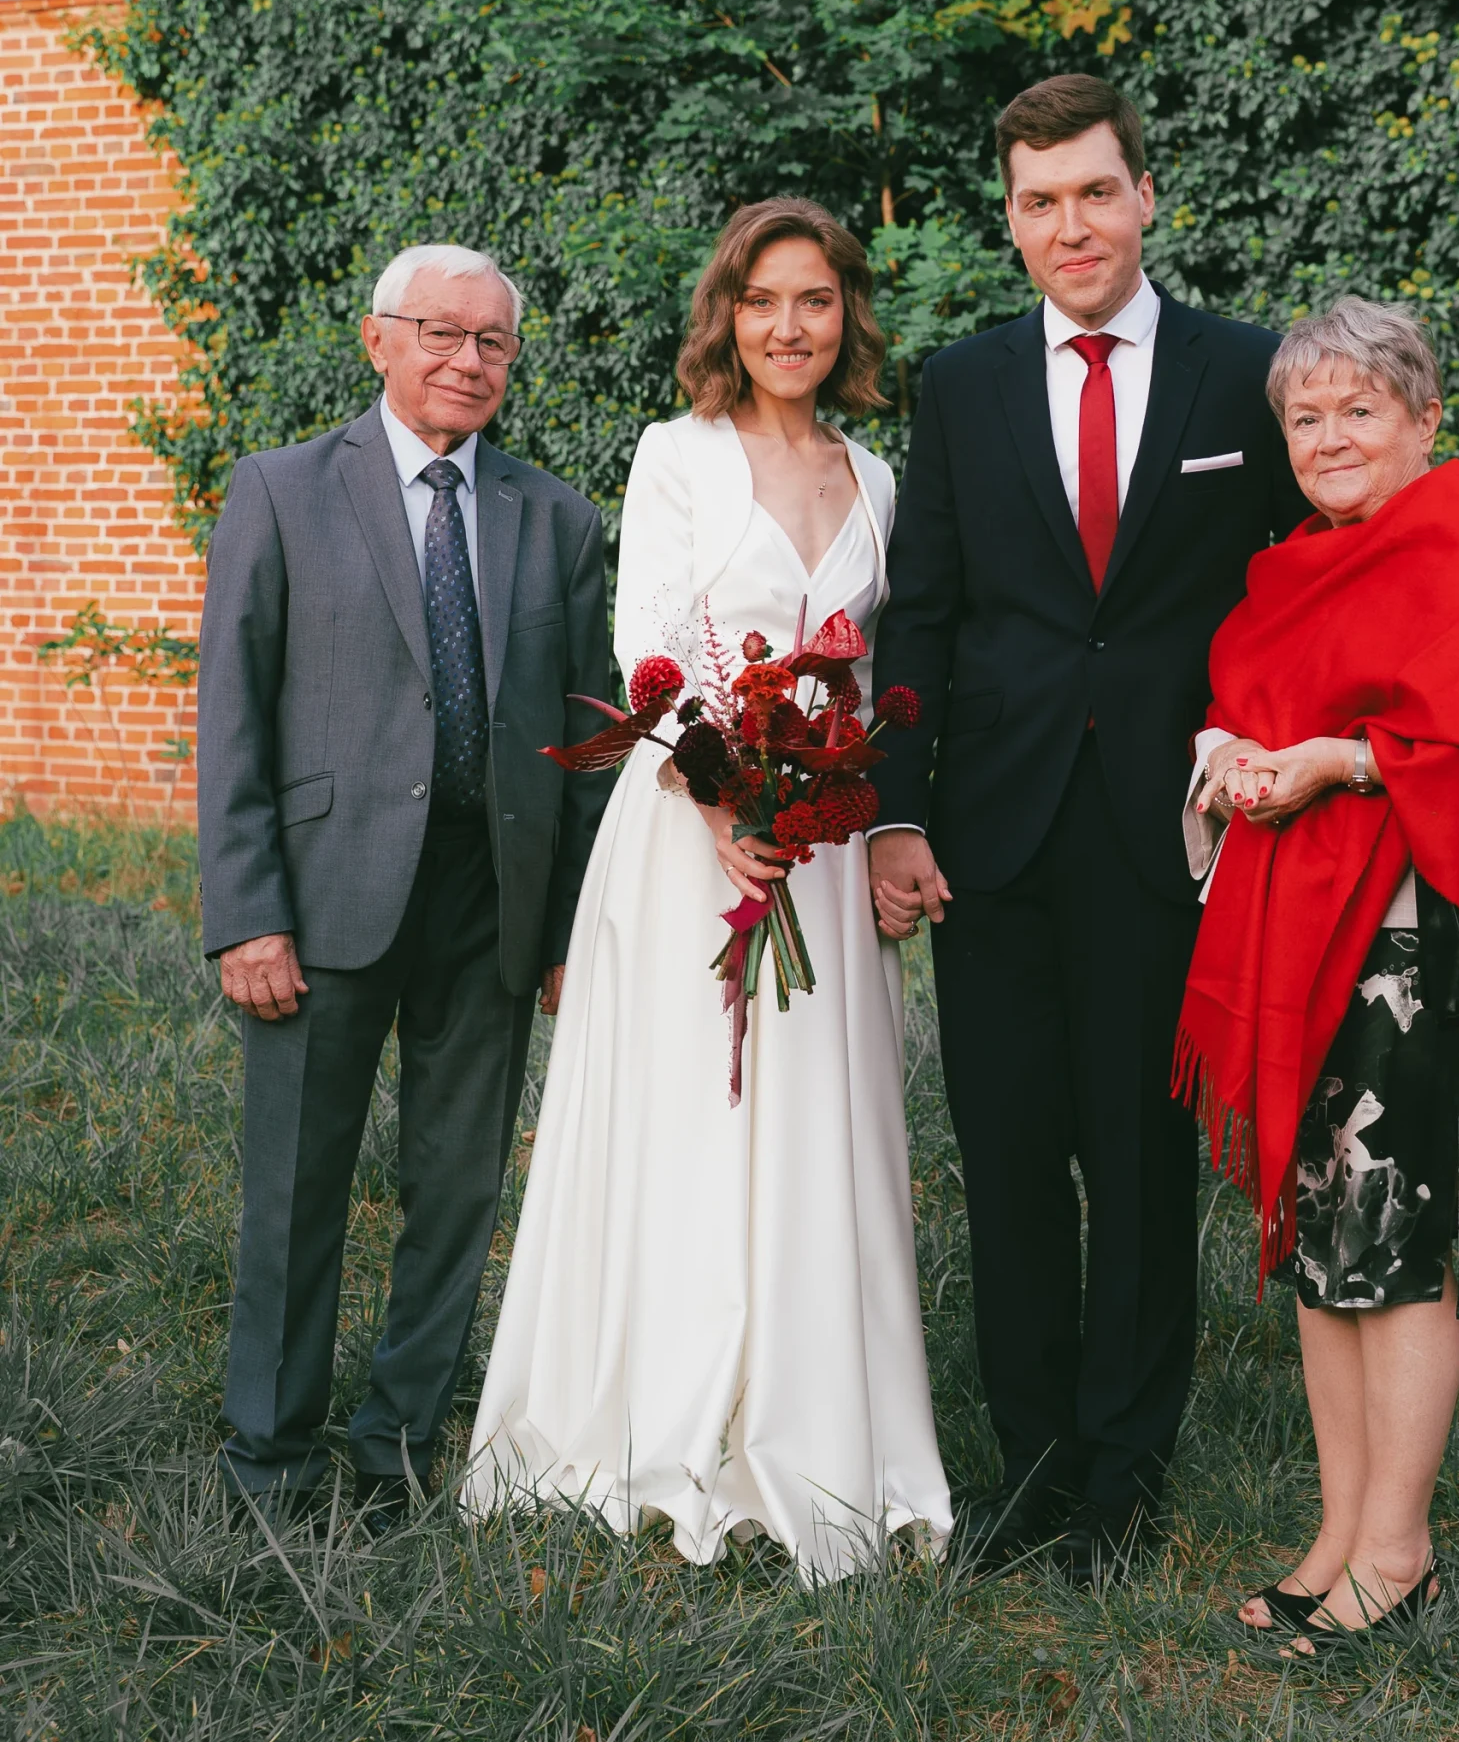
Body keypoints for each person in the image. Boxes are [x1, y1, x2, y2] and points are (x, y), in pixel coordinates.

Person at [463, 198, 952, 1582]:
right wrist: (729, 801)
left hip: (824, 840)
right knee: (692, 1112)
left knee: (816, 1118)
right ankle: (661, 1415)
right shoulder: (675, 455)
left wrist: (840, 810)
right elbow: (652, 650)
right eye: (762, 301)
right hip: (691, 833)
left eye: (815, 300)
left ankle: (811, 1419)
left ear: (847, 315)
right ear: (726, 317)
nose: (790, 327)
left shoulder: (877, 476)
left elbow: (873, 672)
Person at [868, 74, 1308, 1581]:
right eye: (1040, 202)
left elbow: (1298, 591)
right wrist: (894, 815)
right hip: (989, 837)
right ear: (1010, 222)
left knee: (1135, 1164)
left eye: (1095, 193)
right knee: (1006, 1164)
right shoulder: (961, 385)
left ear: (1144, 197)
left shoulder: (1243, 373)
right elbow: (922, 615)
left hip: (1165, 838)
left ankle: (1124, 1478)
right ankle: (1033, 1467)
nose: (1072, 226)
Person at [1174, 296, 1459, 1652]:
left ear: (1424, 417)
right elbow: (1251, 709)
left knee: (1399, 1234)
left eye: (1358, 411)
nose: (1328, 438)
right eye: (1304, 417)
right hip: (1300, 943)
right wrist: (1235, 758)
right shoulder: (1291, 569)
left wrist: (1346, 760)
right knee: (1325, 1236)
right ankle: (1337, 1536)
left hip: (1419, 950)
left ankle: (1397, 1551)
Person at [198, 242, 611, 1527]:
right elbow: (233, 714)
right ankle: (270, 1456)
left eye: (492, 341)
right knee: (295, 1188)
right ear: (378, 339)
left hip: (492, 900)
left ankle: (399, 1446)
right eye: (440, 332)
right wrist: (247, 912)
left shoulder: (557, 518)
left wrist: (567, 927)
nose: (466, 360)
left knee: (458, 1188)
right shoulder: (280, 491)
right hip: (322, 899)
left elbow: (590, 736)